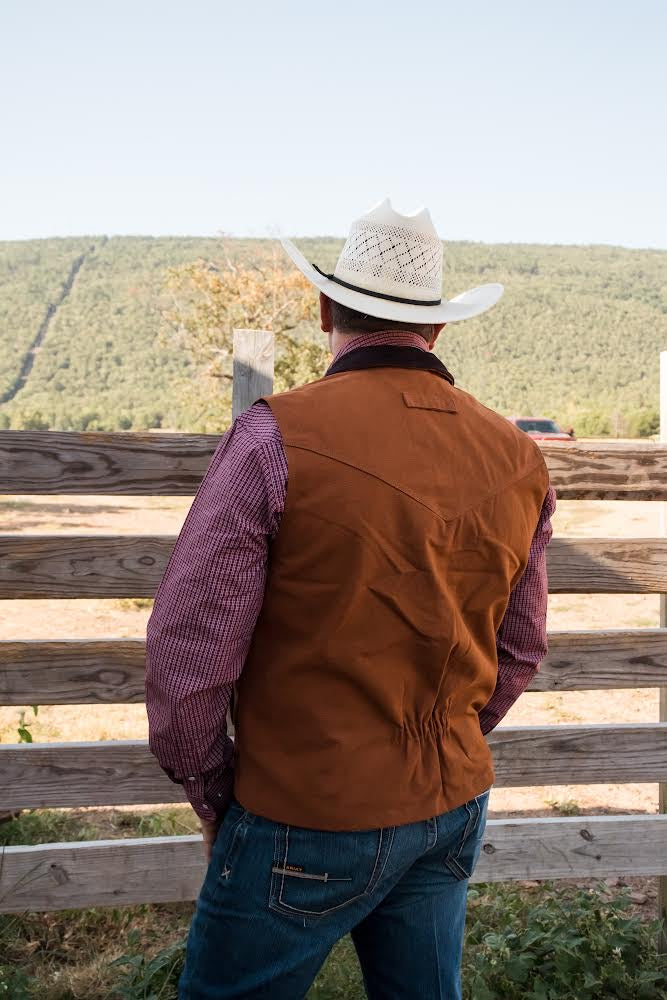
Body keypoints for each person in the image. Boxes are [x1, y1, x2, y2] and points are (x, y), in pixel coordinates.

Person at [145, 197, 556, 999]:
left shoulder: (275, 436)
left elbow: (190, 645)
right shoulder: (518, 457)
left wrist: (211, 790)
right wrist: (443, 742)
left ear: (327, 306)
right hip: (448, 802)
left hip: (303, 806)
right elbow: (519, 648)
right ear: (436, 329)